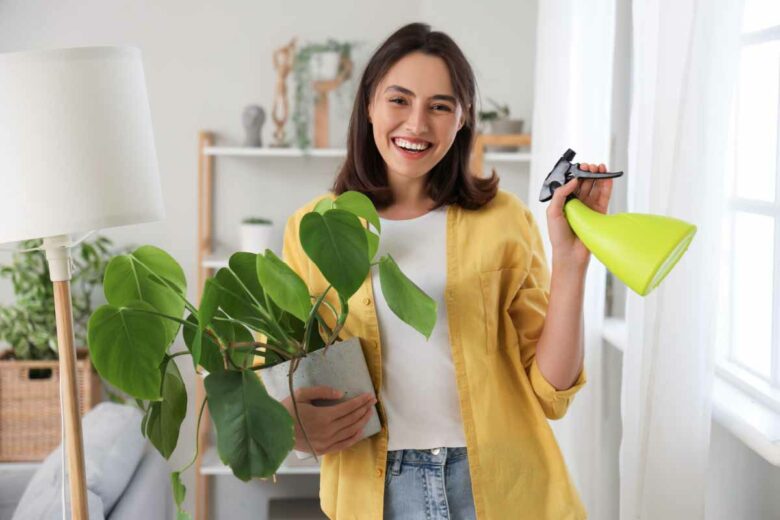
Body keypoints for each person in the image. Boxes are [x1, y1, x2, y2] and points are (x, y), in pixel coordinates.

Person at [281, 22, 612, 520]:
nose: (416, 124)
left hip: (500, 487)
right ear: (369, 103)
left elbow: (551, 393)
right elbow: (284, 368)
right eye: (399, 100)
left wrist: (571, 264)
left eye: (439, 106)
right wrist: (290, 420)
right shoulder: (313, 228)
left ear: (462, 119)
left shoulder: (504, 219)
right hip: (374, 492)